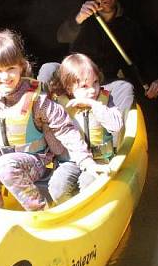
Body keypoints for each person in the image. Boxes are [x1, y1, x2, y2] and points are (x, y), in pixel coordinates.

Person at [0, 29, 107, 211]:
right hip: (5, 156)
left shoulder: (37, 100)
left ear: (21, 67)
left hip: (37, 161)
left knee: (4, 166)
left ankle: (40, 210)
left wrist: (85, 161)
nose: (5, 77)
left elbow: (65, 128)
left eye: (10, 69)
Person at [38, 0, 158, 115]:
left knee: (125, 87)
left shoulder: (130, 24)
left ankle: (119, 134)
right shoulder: (81, 13)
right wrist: (78, 19)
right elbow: (61, 37)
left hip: (101, 81)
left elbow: (146, 54)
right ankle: (40, 117)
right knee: (48, 68)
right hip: (72, 76)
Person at [46, 53, 124, 203]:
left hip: (100, 159)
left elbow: (117, 126)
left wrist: (95, 105)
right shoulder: (58, 105)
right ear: (68, 88)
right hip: (70, 160)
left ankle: (91, 207)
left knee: (88, 183)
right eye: (84, 86)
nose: (93, 90)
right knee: (57, 189)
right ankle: (71, 211)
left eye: (95, 82)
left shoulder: (105, 100)